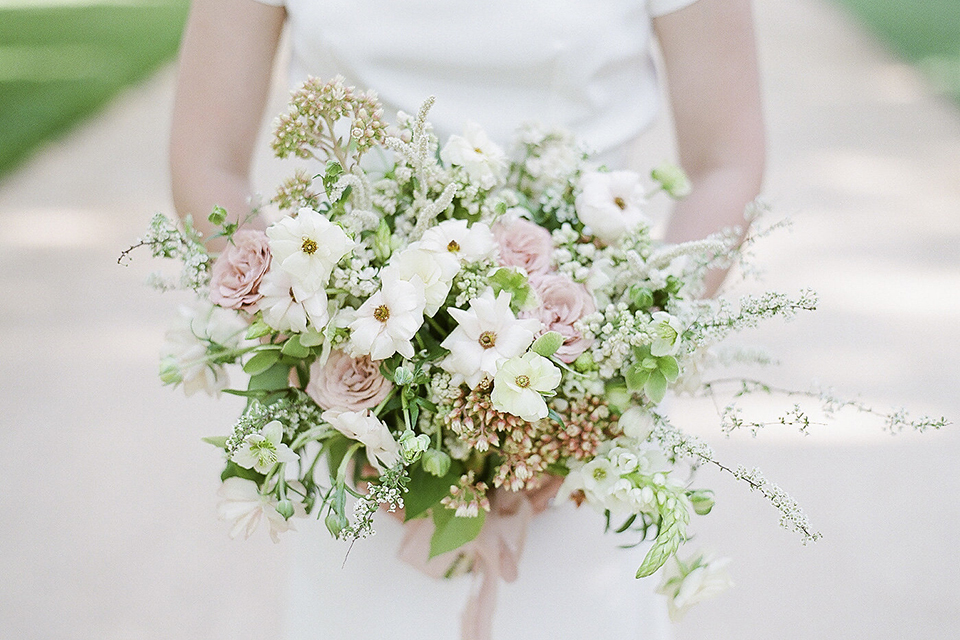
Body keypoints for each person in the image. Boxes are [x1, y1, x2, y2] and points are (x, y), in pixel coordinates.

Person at [169, 0, 764, 637]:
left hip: (589, 424)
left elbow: (726, 163)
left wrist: (604, 385)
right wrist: (331, 375)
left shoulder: (594, 408)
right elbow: (209, 165)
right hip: (362, 442)